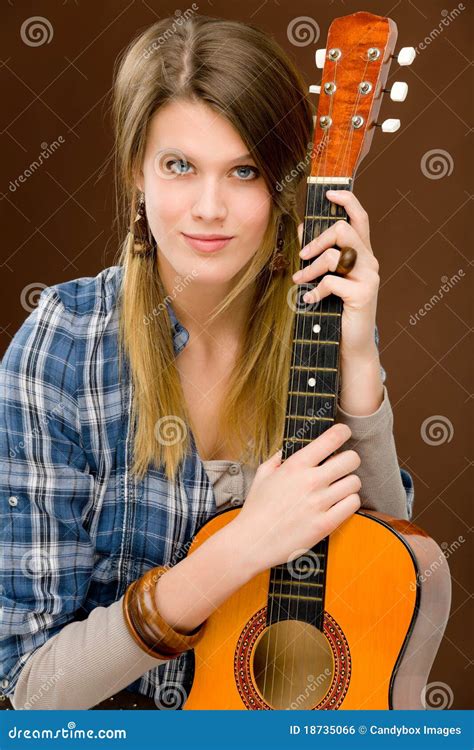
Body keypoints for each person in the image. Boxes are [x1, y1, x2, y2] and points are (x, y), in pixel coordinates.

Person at [0, 14, 414, 711]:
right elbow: (26, 693)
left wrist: (357, 355)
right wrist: (238, 549)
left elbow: (392, 586)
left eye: (245, 171)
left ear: (283, 182)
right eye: (180, 166)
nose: (210, 209)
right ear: (137, 171)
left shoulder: (314, 332)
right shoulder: (62, 348)